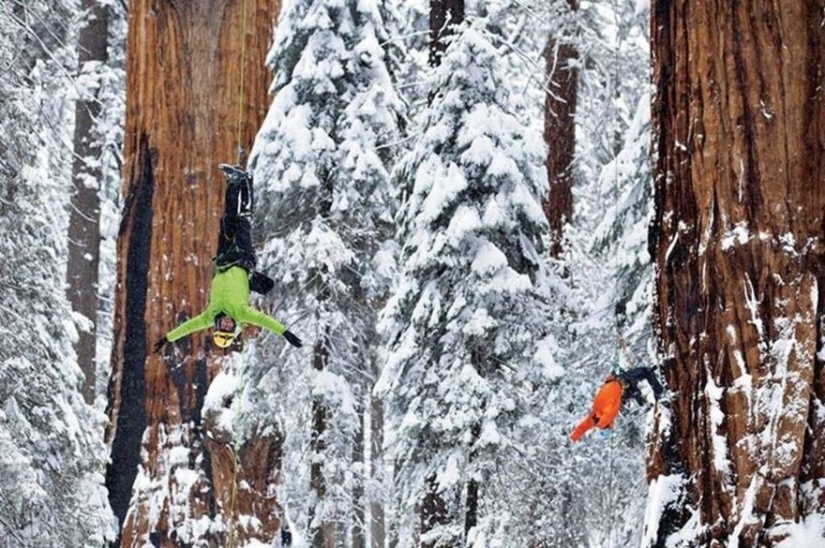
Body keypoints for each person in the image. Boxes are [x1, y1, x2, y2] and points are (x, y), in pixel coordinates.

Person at [154, 164, 302, 353]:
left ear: (216, 327)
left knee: (227, 221)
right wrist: (285, 332)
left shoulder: (209, 316)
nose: (226, 323)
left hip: (224, 260)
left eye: (222, 327)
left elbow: (189, 326)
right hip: (242, 259)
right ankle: (246, 181)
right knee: (242, 221)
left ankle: (233, 182)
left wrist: (168, 337)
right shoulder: (242, 313)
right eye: (229, 328)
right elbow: (265, 320)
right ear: (233, 328)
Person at [570, 366, 664, 442]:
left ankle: (661, 394)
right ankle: (649, 398)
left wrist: (601, 426)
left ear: (607, 426)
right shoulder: (595, 415)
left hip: (621, 384)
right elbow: (583, 426)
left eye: (610, 427)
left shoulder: (606, 416)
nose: (612, 425)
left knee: (646, 372)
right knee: (635, 394)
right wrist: (574, 437)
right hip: (617, 384)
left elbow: (609, 415)